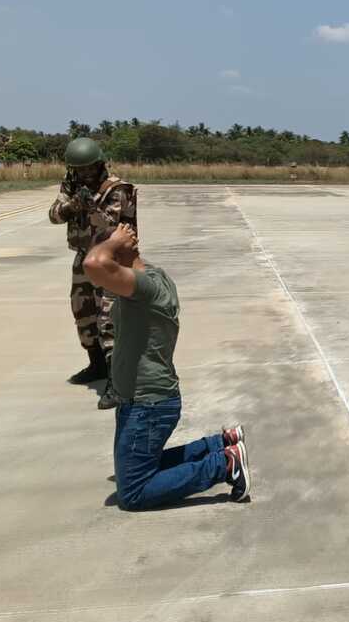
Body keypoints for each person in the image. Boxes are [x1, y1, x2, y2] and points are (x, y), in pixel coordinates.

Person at [83, 224, 251, 509]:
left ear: (117, 253)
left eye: (108, 251)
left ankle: (225, 464)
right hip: (150, 402)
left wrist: (113, 242)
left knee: (133, 491)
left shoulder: (144, 288)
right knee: (148, 465)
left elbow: (93, 264)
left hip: (146, 406)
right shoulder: (155, 277)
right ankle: (220, 444)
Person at [48, 137, 137, 410]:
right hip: (83, 258)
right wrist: (72, 205)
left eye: (89, 168)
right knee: (83, 314)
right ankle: (96, 365)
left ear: (100, 164)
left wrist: (91, 208)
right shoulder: (71, 185)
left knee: (109, 320)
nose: (85, 174)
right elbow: (53, 215)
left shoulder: (117, 189)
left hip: (111, 260)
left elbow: (111, 226)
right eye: (79, 169)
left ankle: (117, 382)